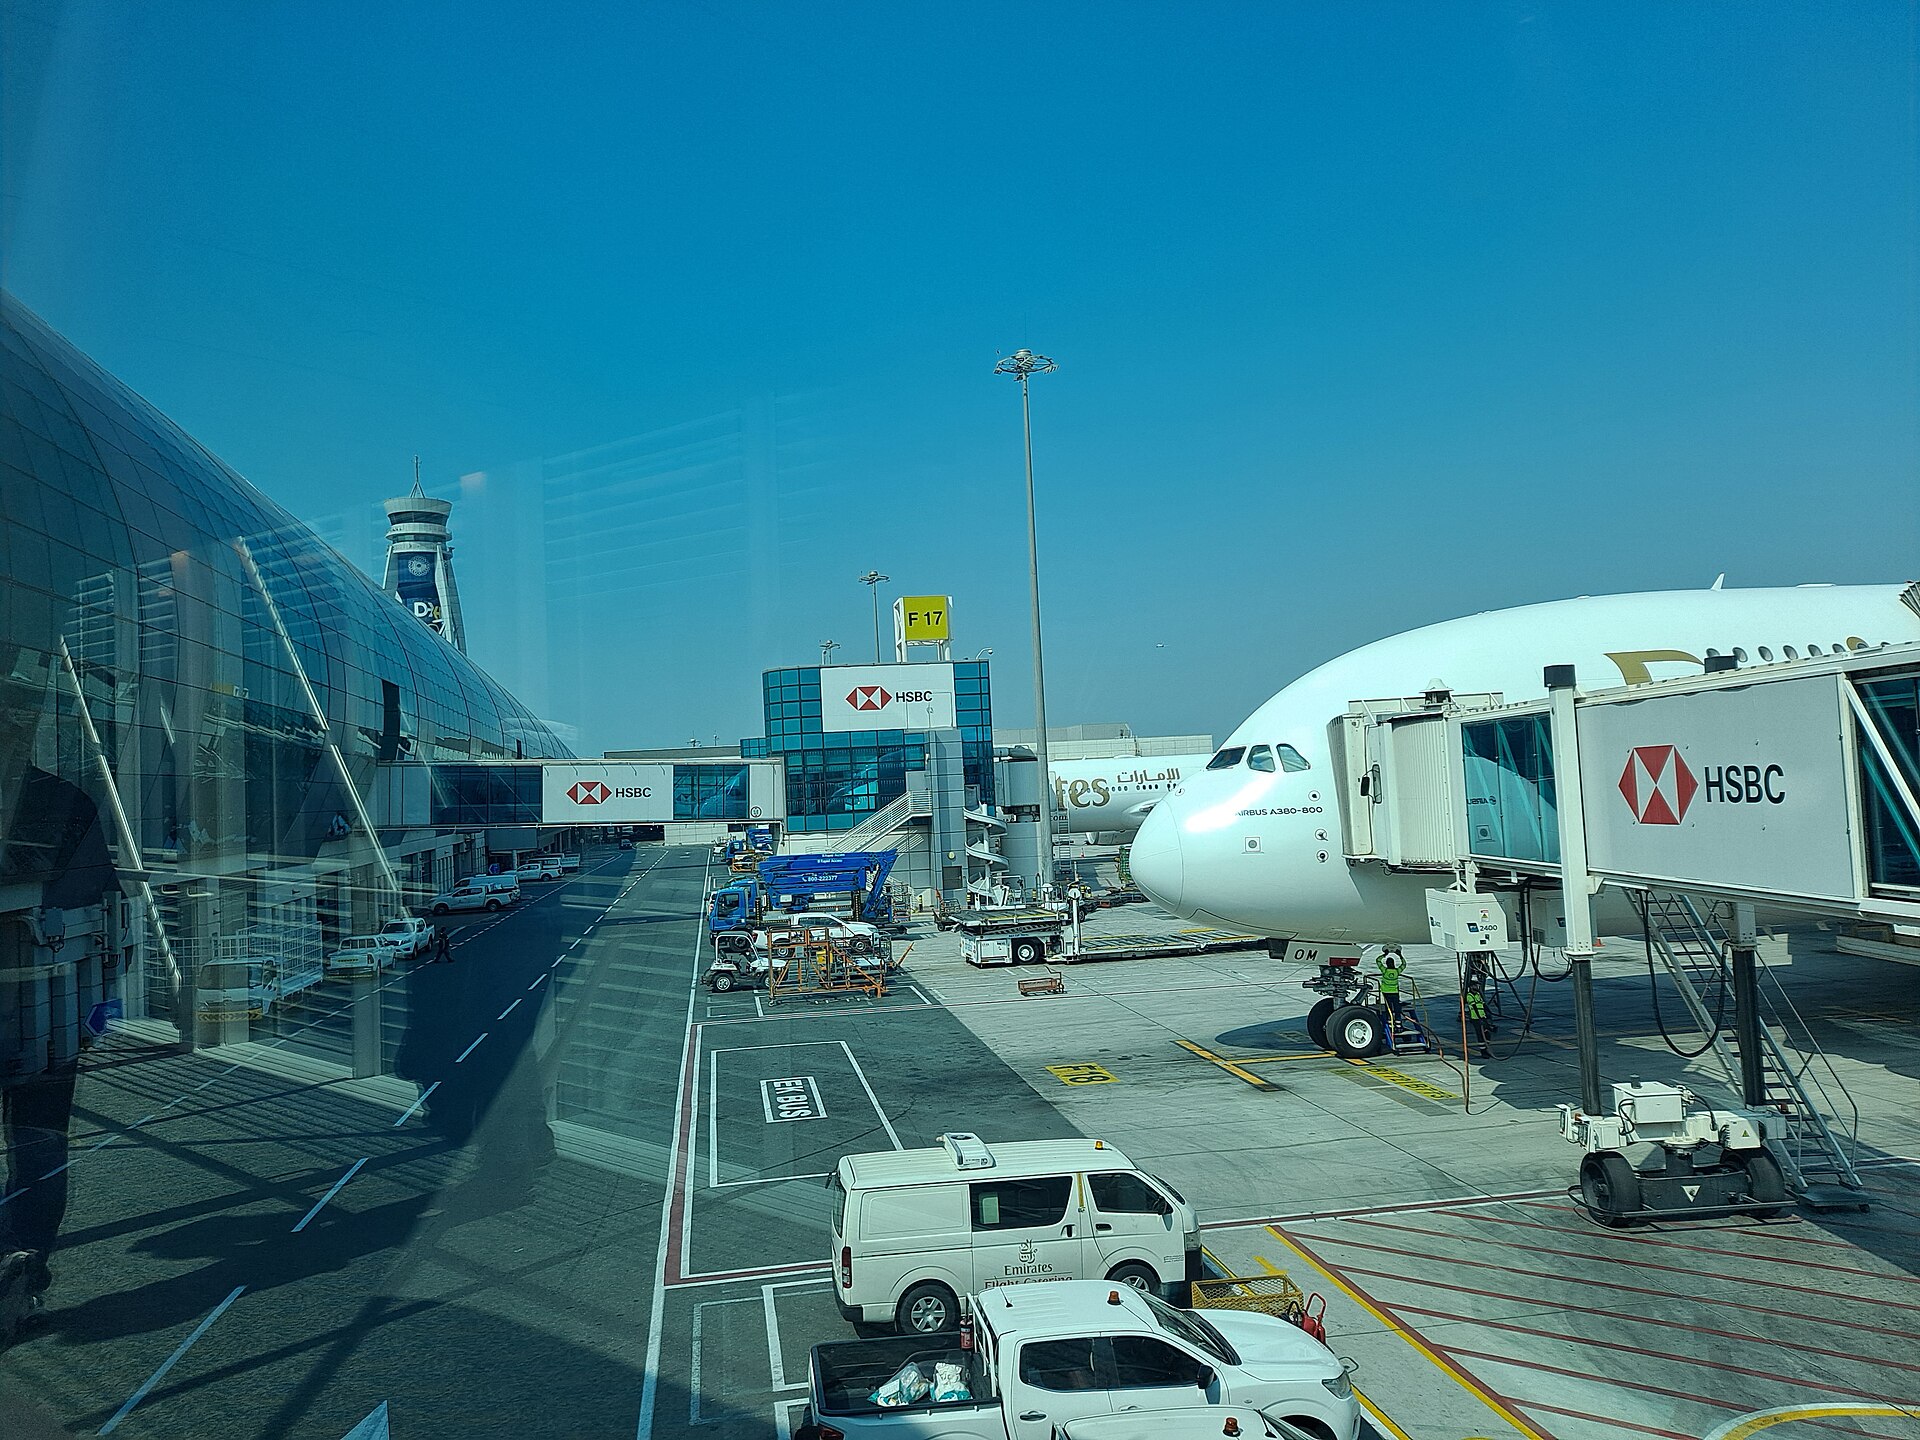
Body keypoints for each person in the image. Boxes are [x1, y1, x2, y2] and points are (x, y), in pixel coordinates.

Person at [1375, 944, 1406, 1032]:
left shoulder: (1384, 971)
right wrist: (1400, 955)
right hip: (1395, 992)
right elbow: (1404, 965)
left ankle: (1390, 1025)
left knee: (1389, 1008)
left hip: (1386, 992)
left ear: (1387, 964)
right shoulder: (1396, 971)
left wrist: (1384, 955)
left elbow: (1378, 961)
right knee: (1397, 1008)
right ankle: (1399, 1026)